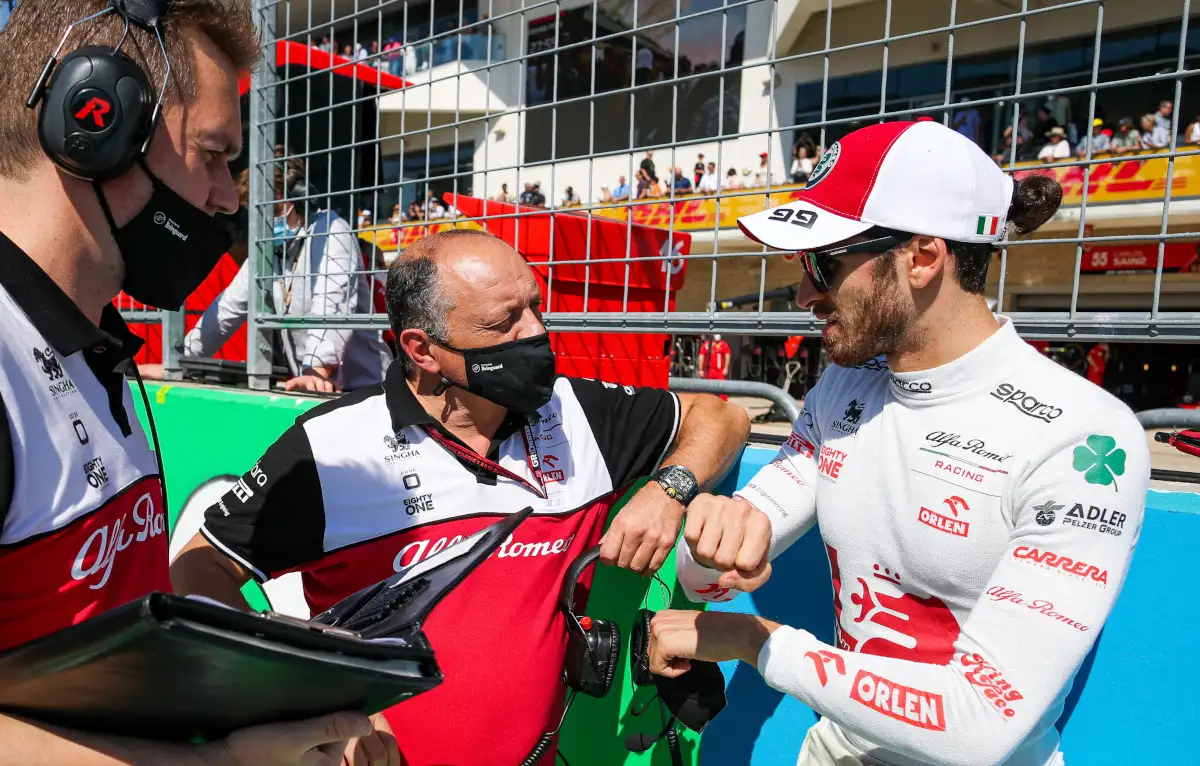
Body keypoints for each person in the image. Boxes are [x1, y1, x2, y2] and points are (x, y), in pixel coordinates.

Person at [645, 119, 1150, 766]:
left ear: (922, 257)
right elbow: (706, 573)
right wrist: (712, 543)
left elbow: (980, 725)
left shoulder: (1084, 438)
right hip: (834, 749)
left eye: (823, 264)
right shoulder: (843, 389)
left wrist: (755, 641)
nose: (804, 294)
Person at [170, 229, 751, 766]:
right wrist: (306, 700)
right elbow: (198, 568)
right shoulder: (330, 445)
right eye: (504, 325)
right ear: (422, 351)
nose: (537, 335)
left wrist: (669, 489)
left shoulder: (576, 413)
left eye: (535, 307)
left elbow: (721, 416)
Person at [0, 1, 391, 762]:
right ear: (93, 120)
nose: (227, 197)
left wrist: (280, 684)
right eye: (213, 154)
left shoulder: (97, 347)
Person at [173, 158, 392, 393]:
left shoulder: (331, 230)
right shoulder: (270, 247)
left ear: (299, 196)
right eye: (258, 214)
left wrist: (316, 369)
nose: (266, 222)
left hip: (365, 388)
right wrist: (183, 361)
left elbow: (330, 303)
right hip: (313, 387)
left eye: (274, 210)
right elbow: (227, 309)